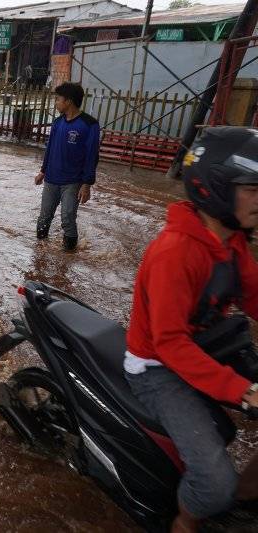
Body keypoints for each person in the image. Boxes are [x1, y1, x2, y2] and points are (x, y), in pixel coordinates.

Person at [125, 127, 258, 533]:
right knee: (214, 484)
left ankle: (244, 501)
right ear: (215, 186)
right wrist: (244, 391)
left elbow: (253, 295)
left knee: (227, 490)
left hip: (209, 347)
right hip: (157, 369)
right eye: (252, 188)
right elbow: (169, 345)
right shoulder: (175, 252)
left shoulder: (231, 240)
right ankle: (186, 519)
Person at [35, 82, 99, 251]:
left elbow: (92, 156)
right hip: (51, 179)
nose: (56, 103)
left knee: (68, 217)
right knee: (44, 217)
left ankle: (69, 256)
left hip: (73, 181)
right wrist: (42, 171)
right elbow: (50, 149)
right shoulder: (57, 123)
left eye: (58, 99)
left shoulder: (89, 125)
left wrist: (87, 184)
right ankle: (40, 251)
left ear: (68, 101)